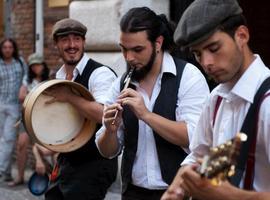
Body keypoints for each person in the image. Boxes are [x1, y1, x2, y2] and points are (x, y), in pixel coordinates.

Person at [96, 7, 209, 200]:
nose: (129, 58)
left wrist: (146, 115)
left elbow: (195, 137)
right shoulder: (120, 84)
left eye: (137, 50)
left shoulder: (188, 76)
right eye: (124, 49)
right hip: (133, 193)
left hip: (179, 192)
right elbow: (107, 152)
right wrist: (110, 130)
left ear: (158, 43)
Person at [161, 0, 270, 200]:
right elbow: (200, 156)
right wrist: (175, 189)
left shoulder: (267, 103)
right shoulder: (216, 98)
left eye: (214, 48)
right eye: (198, 54)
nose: (206, 63)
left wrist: (230, 196)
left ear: (242, 36)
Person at [44, 18, 118, 200]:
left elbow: (105, 115)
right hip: (66, 162)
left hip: (93, 165)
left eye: (77, 39)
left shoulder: (100, 74)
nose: (71, 45)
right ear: (56, 44)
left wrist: (69, 96)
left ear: (84, 42)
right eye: (65, 40)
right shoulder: (60, 76)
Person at [8, 53, 50, 186]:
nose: (36, 68)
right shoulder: (27, 79)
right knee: (21, 144)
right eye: (33, 65)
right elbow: (21, 96)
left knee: (46, 148)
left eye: (38, 64)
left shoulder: (50, 78)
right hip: (27, 116)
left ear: (43, 65)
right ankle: (20, 177)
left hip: (44, 118)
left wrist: (31, 95)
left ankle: (53, 177)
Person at [0, 38, 28, 182]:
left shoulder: (20, 62)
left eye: (10, 47)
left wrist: (23, 86)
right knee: (2, 139)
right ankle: (5, 170)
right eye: (5, 47)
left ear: (13, 49)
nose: (7, 50)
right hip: (0, 103)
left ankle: (3, 170)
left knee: (9, 138)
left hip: (14, 106)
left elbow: (26, 77)